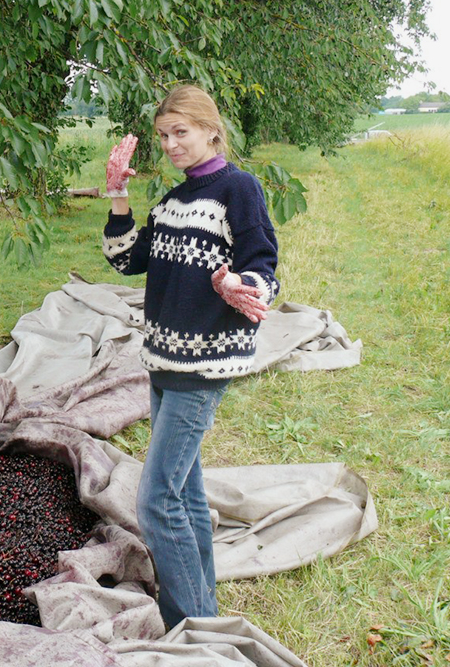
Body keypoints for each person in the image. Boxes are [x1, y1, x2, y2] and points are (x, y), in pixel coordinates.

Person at [102, 84, 279, 628]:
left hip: (201, 368)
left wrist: (239, 287)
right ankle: (206, 608)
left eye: (181, 132)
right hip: (161, 362)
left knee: (156, 503)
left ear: (210, 130)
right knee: (188, 494)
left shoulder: (238, 190)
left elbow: (263, 266)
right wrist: (117, 198)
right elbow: (127, 261)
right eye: (163, 135)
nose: (171, 144)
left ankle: (195, 628)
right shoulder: (173, 201)